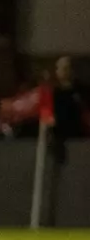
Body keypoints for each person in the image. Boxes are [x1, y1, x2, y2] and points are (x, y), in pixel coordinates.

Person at [38, 56, 89, 225]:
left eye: (67, 68)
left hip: (80, 142)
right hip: (60, 142)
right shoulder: (54, 93)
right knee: (59, 184)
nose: (64, 71)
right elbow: (47, 115)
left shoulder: (81, 91)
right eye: (61, 68)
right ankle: (52, 220)